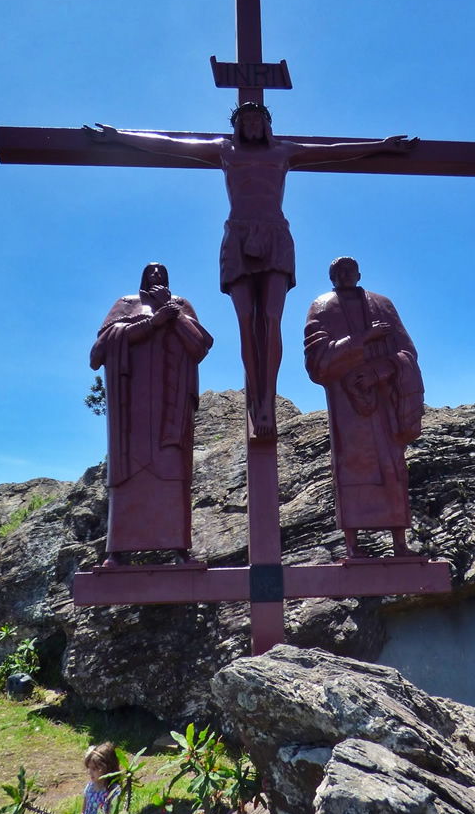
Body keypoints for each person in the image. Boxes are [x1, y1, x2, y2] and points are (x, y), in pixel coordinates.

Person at [86, 106, 415, 439]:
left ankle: (266, 399)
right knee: (246, 322)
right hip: (238, 236)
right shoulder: (224, 149)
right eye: (246, 121)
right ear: (237, 126)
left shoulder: (284, 151)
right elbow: (171, 143)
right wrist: (120, 136)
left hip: (275, 235)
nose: (253, 125)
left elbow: (334, 152)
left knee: (271, 319)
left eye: (259, 120)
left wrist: (381, 145)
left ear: (268, 124)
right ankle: (254, 398)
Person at [90, 263, 213, 565]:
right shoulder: (126, 304)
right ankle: (117, 552)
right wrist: (152, 323)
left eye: (162, 272)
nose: (156, 276)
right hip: (133, 407)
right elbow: (99, 350)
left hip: (170, 406)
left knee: (172, 471)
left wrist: (171, 311)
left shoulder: (180, 305)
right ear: (142, 277)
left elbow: (198, 346)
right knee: (129, 474)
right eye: (151, 272)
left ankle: (178, 548)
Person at [304, 256, 424, 558]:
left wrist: (382, 370)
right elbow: (317, 362)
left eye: (349, 269)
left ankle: (400, 543)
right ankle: (353, 547)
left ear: (359, 273)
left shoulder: (382, 304)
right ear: (331, 278)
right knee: (351, 468)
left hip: (385, 401)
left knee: (393, 467)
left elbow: (407, 350)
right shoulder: (321, 306)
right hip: (347, 405)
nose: (344, 274)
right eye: (337, 271)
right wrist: (361, 340)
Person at [81, 741, 121, 814]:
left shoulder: (113, 791)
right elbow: (83, 812)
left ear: (107, 768)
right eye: (89, 768)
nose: (90, 772)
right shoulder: (89, 788)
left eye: (94, 769)